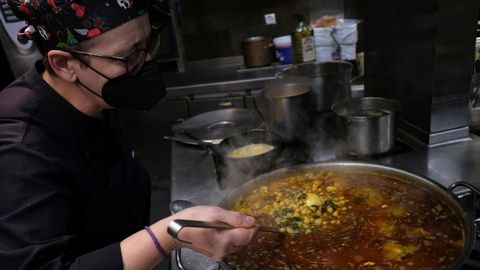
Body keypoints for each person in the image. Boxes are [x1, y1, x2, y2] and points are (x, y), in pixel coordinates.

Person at [0, 0, 257, 269]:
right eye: (130, 55)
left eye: (149, 43)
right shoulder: (17, 147)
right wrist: (168, 235)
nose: (146, 62)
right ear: (65, 64)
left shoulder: (95, 95)